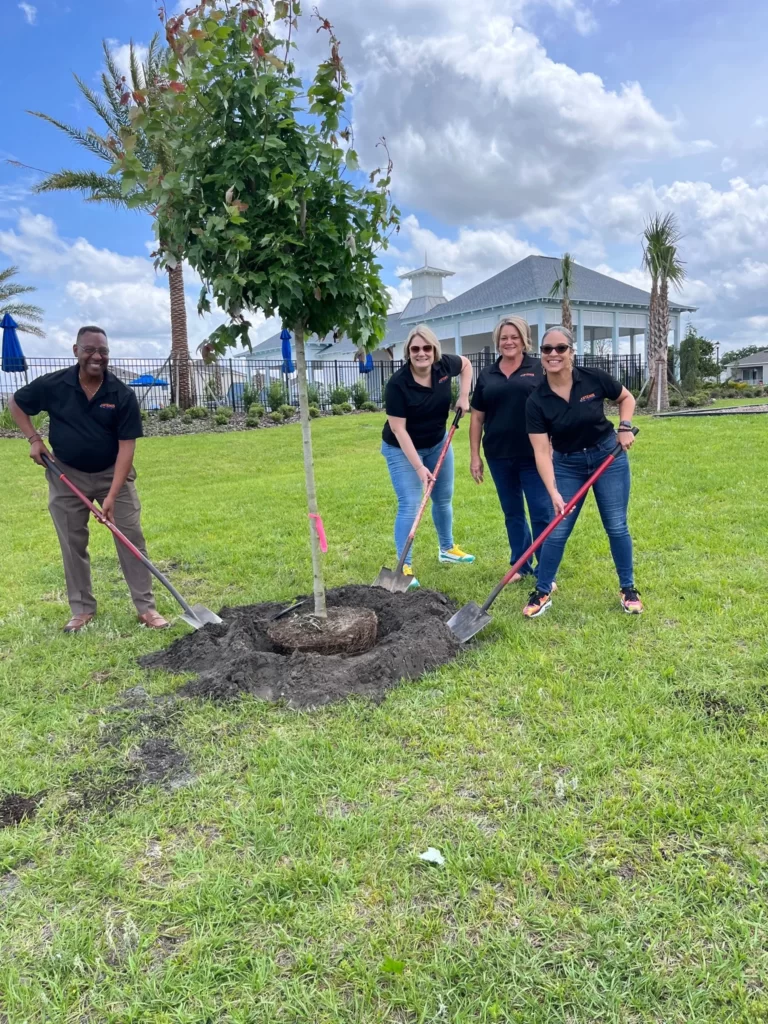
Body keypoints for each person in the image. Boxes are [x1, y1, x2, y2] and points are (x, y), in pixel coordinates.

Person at [9, 326, 170, 633]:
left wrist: (111, 495)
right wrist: (34, 439)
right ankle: (82, 609)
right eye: (90, 350)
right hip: (66, 474)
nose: (97, 356)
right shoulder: (54, 384)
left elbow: (127, 449)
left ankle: (146, 608)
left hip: (113, 473)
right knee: (72, 542)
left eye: (103, 351)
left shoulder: (121, 394)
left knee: (130, 539)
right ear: (76, 351)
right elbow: (16, 403)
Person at [523, 326, 642, 618]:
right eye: (547, 349)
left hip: (607, 458)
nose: (553, 354)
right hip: (567, 465)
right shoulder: (536, 400)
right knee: (557, 528)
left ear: (571, 352)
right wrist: (553, 491)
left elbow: (626, 398)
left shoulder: (593, 378)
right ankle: (542, 590)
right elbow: (541, 451)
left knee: (616, 525)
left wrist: (624, 427)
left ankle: (628, 588)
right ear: (541, 355)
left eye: (560, 348)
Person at [381, 324, 475, 588]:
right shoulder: (398, 384)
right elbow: (399, 430)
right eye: (415, 349)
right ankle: (404, 566)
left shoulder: (443, 366)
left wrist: (464, 397)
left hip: (437, 442)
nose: (421, 353)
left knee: (443, 498)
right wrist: (420, 468)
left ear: (434, 350)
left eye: (426, 348)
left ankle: (446, 549)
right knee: (410, 503)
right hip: (402, 448)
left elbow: (466, 364)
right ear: (408, 352)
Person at [470, 315, 552, 583]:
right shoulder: (487, 375)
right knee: (513, 512)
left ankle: (545, 569)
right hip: (498, 454)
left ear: (524, 339)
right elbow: (477, 417)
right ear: (497, 341)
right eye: (504, 337)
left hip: (533, 455)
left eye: (514, 337)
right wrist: (475, 456)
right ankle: (520, 563)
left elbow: (553, 408)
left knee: (541, 510)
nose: (509, 342)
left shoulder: (539, 369)